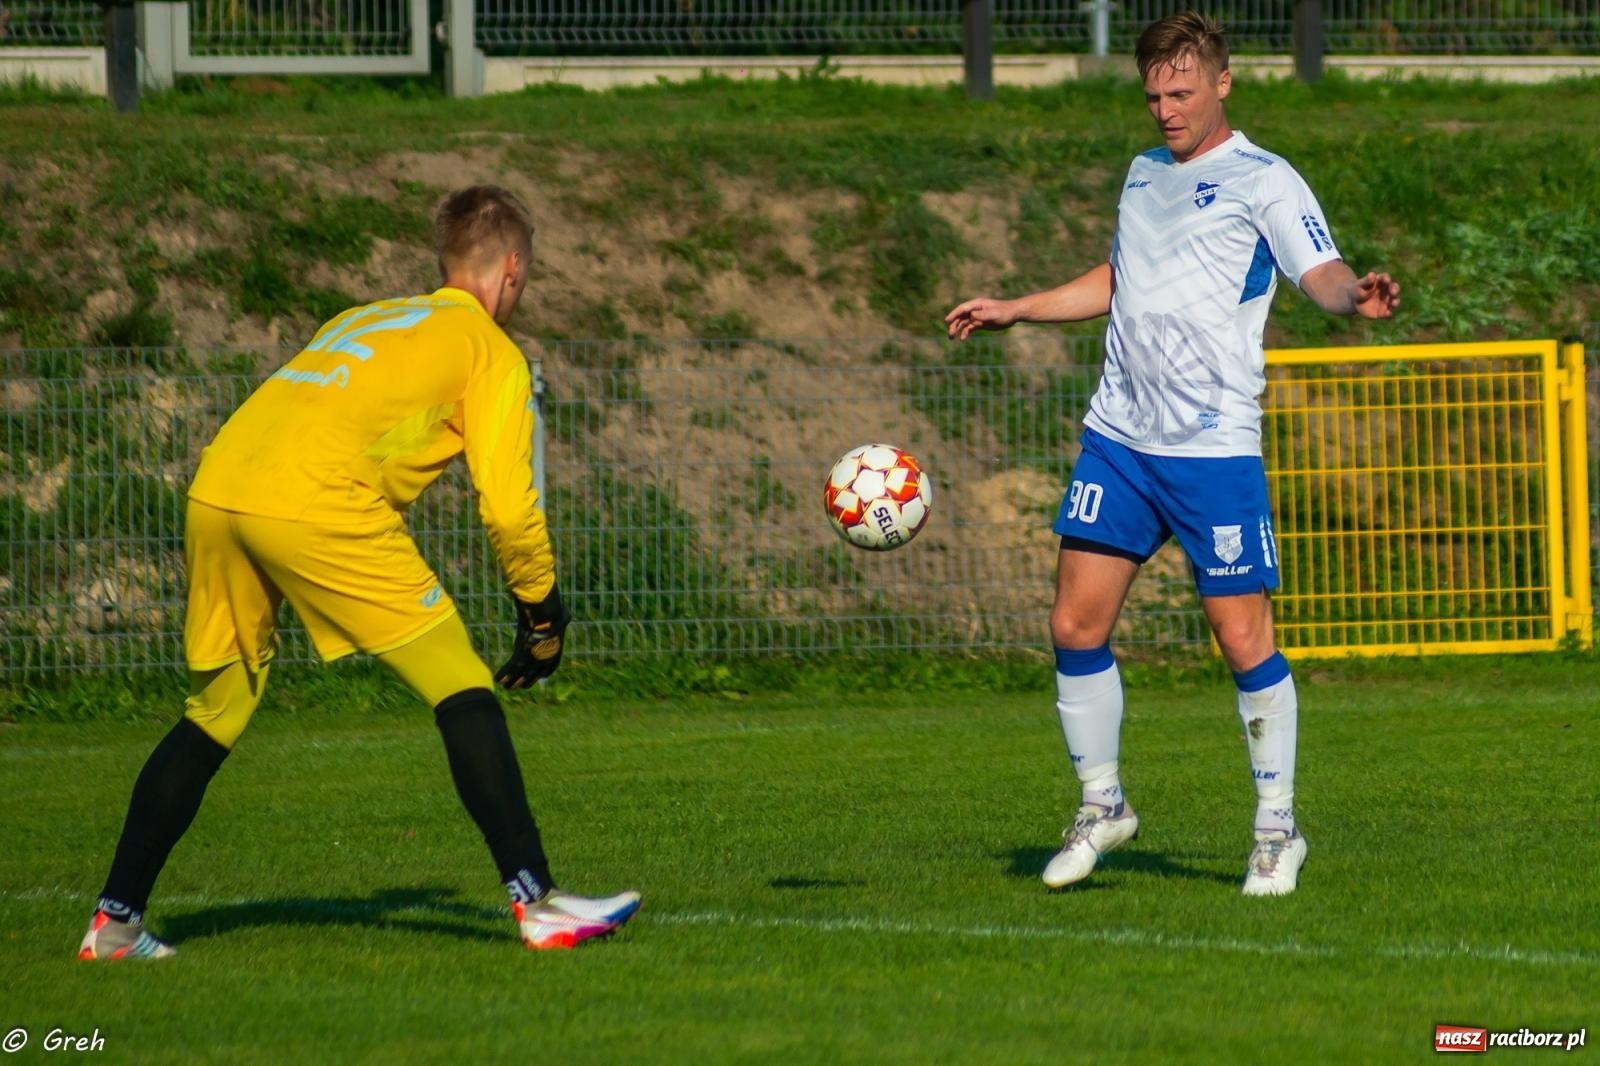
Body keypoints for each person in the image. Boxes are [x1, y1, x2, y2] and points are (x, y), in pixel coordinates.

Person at [79, 185, 640, 959]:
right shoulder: (489, 350)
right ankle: (539, 903)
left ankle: (115, 922)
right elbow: (510, 510)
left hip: (219, 486)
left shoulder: (363, 318)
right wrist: (542, 611)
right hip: (314, 500)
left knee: (215, 711)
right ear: (513, 267)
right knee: (461, 683)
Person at [945, 12, 1399, 896]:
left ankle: (1277, 830)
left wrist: (1355, 298)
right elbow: (1121, 278)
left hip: (1211, 448)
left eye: (1182, 92)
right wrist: (1018, 307)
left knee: (1241, 637)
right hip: (1120, 439)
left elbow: (1319, 271)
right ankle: (1102, 804)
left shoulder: (1265, 179)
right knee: (1074, 626)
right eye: (1154, 94)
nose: (1166, 109)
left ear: (1222, 83)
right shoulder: (1144, 172)